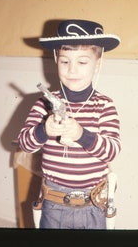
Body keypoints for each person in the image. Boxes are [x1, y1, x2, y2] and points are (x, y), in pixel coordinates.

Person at [17, 19, 121, 229]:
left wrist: (83, 134)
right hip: (53, 203)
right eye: (65, 61)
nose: (72, 70)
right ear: (56, 59)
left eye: (82, 62)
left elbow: (112, 151)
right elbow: (24, 144)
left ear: (98, 63)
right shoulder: (44, 103)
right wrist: (43, 130)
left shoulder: (104, 105)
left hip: (94, 204)